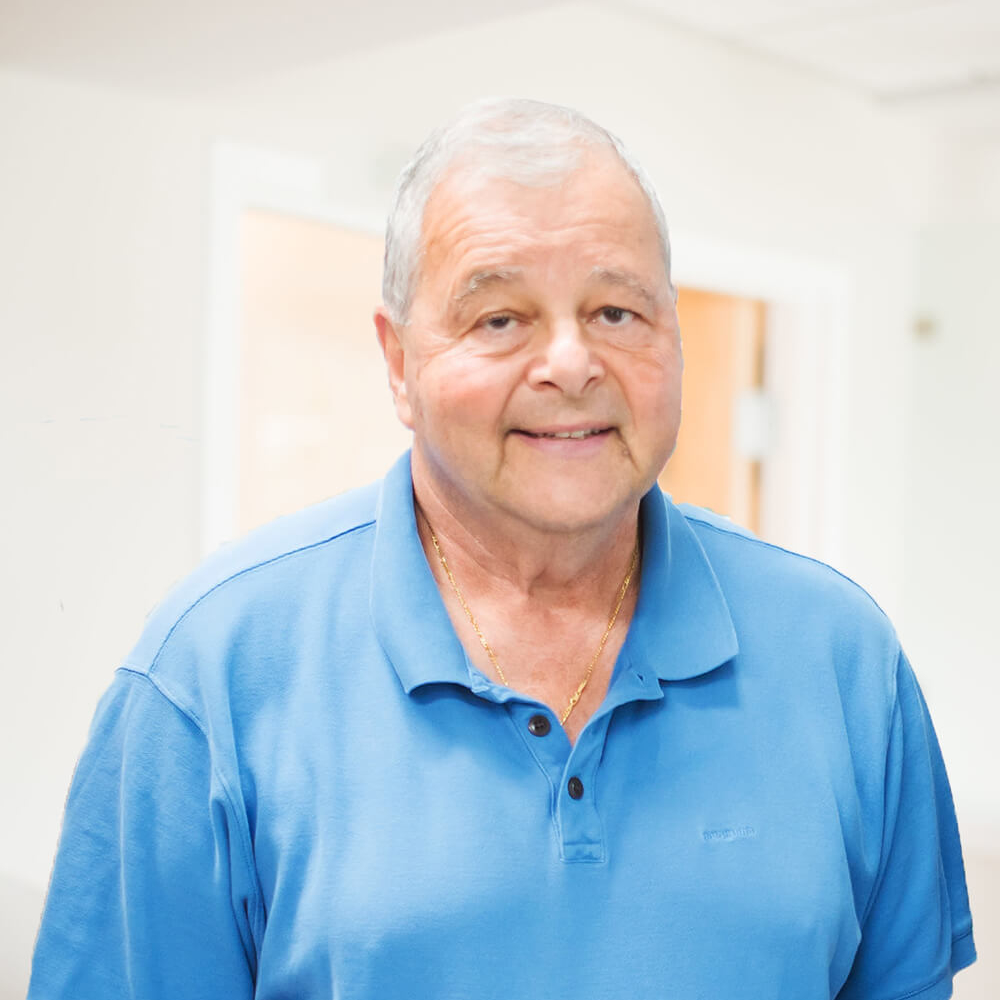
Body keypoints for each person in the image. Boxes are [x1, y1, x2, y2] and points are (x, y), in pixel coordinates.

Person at [29, 98, 975, 999]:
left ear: (673, 337)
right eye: (500, 318)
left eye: (617, 311)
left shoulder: (845, 660)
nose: (571, 362)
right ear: (399, 363)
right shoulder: (210, 677)